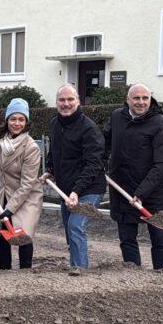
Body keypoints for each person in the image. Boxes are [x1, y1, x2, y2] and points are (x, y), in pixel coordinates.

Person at [104, 83, 163, 270]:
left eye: (145, 98)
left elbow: (161, 164)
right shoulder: (117, 117)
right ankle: (132, 274)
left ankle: (162, 274)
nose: (141, 102)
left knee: (159, 238)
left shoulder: (161, 124)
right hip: (123, 189)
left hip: (153, 192)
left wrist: (142, 192)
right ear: (128, 100)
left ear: (151, 99)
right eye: (136, 98)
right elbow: (104, 142)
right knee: (127, 239)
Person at [39, 84, 105, 270]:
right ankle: (76, 265)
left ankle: (80, 271)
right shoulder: (55, 124)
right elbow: (54, 152)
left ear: (78, 101)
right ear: (56, 103)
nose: (66, 104)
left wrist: (77, 190)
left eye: (70, 99)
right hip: (66, 189)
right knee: (70, 230)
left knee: (76, 226)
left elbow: (93, 164)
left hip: (89, 188)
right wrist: (50, 169)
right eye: (62, 100)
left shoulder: (89, 129)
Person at [0, 98, 43, 270]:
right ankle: (4, 271)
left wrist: (10, 208)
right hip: (4, 192)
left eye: (21, 119)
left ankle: (25, 271)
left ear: (26, 122)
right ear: (7, 120)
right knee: (3, 234)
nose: (17, 123)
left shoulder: (31, 147)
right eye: (13, 119)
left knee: (24, 234)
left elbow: (27, 184)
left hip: (26, 196)